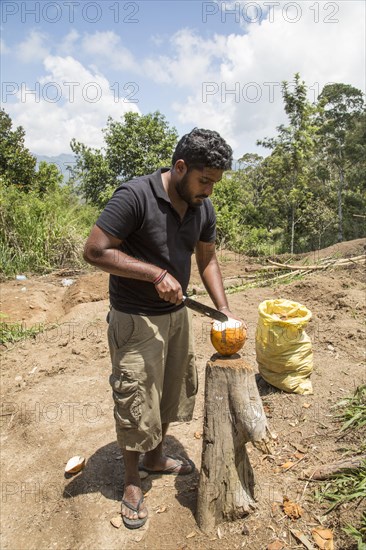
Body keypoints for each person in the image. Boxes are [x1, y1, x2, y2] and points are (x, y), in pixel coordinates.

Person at [83, 127, 243, 529]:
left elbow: (207, 259)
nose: (209, 190)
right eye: (204, 180)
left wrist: (224, 311)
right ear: (180, 167)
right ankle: (133, 481)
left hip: (176, 317)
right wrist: (155, 274)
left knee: (171, 389)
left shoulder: (202, 208)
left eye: (215, 183)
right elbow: (95, 250)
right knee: (137, 395)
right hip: (135, 318)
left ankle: (155, 457)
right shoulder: (135, 196)